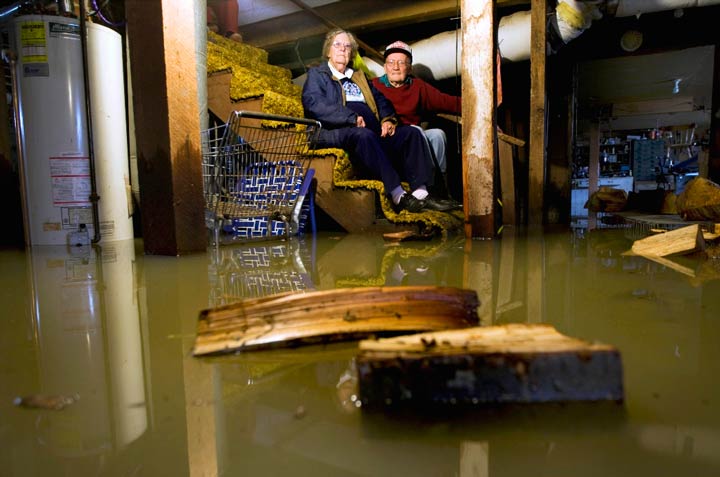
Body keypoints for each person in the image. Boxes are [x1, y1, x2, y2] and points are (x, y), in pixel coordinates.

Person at [301, 29, 458, 213]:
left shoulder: (358, 76)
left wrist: (388, 120)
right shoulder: (318, 75)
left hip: (373, 131)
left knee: (412, 132)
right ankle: (398, 194)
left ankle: (421, 194)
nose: (343, 49)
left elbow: (381, 100)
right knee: (364, 135)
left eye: (347, 46)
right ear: (328, 51)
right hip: (336, 131)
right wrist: (350, 118)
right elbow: (314, 103)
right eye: (337, 45)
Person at [371, 41, 461, 177]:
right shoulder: (374, 86)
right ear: (385, 67)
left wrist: (484, 111)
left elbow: (448, 102)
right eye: (391, 62)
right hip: (386, 140)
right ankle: (421, 181)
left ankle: (438, 184)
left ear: (409, 68)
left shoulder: (418, 86)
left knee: (437, 135)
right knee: (416, 131)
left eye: (401, 63)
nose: (395, 67)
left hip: (414, 141)